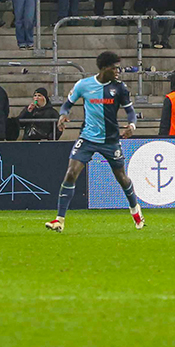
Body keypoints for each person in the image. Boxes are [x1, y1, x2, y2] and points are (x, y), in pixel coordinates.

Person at [47, 50, 145, 233]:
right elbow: (67, 104)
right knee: (70, 173)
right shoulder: (83, 85)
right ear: (105, 68)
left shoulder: (120, 88)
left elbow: (130, 112)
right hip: (87, 138)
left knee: (122, 179)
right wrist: (63, 115)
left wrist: (132, 126)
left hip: (110, 140)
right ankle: (59, 220)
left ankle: (135, 210)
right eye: (115, 68)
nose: (118, 72)